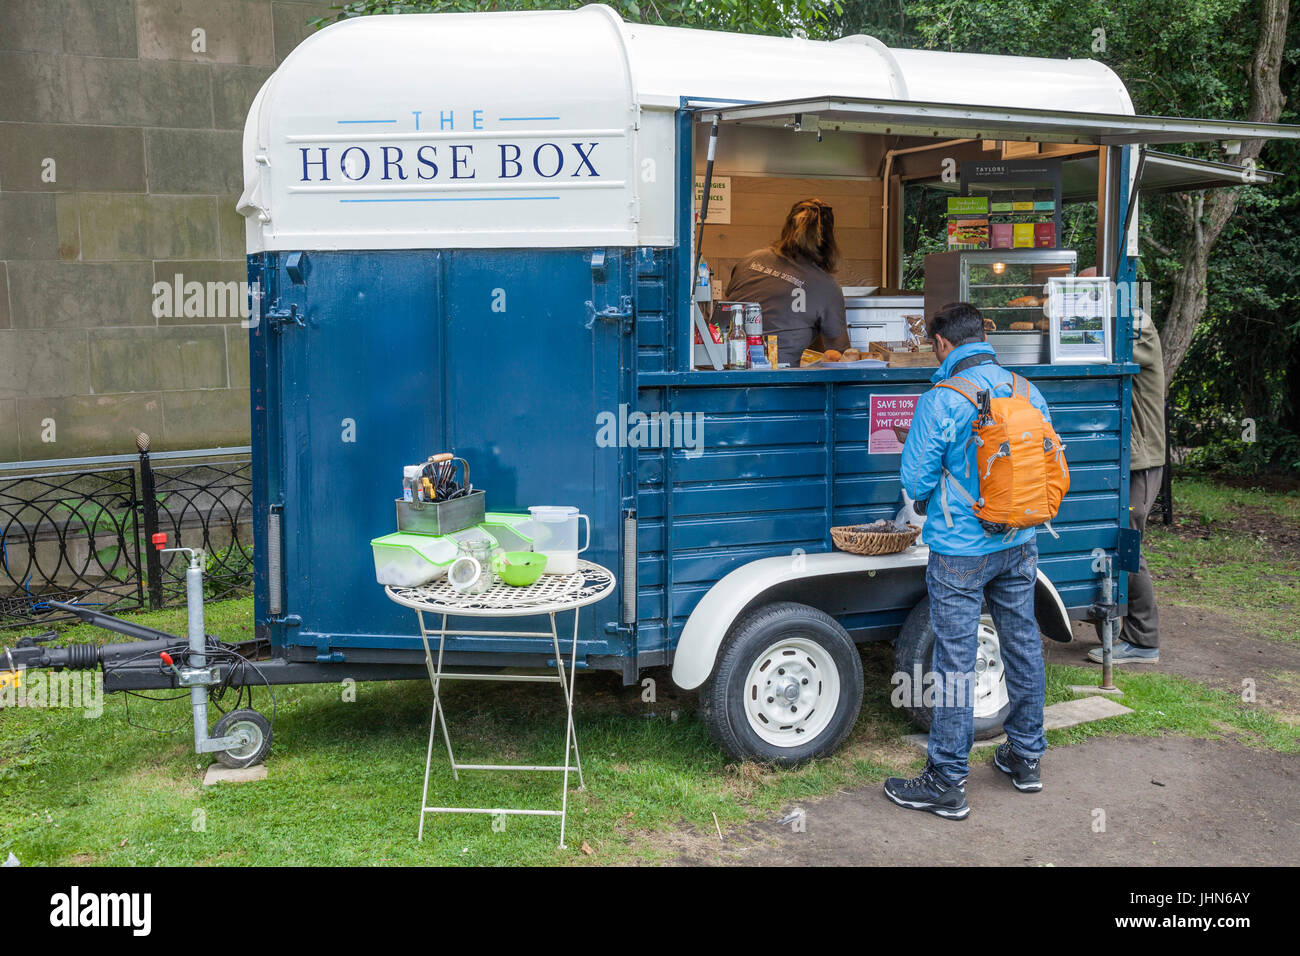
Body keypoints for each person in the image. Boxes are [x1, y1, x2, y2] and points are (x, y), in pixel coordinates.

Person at [885, 302, 1052, 820]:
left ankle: (946, 781)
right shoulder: (1026, 389)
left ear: (941, 345)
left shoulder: (943, 398)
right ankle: (1025, 757)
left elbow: (914, 483)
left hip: (960, 550)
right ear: (984, 335)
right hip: (1019, 540)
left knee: (954, 659)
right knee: (1021, 641)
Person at [1089, 291, 1164, 664]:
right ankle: (1122, 626)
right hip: (1128, 457)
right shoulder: (1121, 320)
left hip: (1141, 460)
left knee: (1127, 546)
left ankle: (1144, 639)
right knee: (1114, 541)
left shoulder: (1138, 326)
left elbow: (1098, 346)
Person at [724, 198, 850, 366]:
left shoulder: (749, 261)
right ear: (829, 240)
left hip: (728, 368)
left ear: (787, 228)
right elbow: (839, 354)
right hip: (783, 381)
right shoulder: (827, 286)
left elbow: (727, 312)